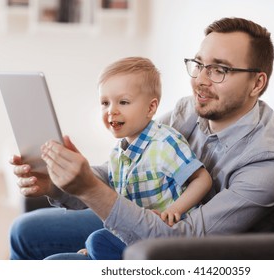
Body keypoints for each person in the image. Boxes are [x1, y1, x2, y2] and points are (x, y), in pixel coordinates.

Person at [9, 16, 274, 260]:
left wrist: (88, 189)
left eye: (219, 70)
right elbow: (126, 168)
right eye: (199, 64)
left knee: (55, 264)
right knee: (23, 230)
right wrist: (57, 184)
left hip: (188, 256)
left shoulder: (272, 162)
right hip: (153, 214)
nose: (200, 80)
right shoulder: (189, 111)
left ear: (257, 83)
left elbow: (180, 242)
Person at [77, 56, 212, 259]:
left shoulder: (165, 142)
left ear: (150, 108)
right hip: (134, 235)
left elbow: (202, 179)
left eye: (123, 102)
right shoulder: (118, 154)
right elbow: (120, 211)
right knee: (94, 242)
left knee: (96, 240)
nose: (111, 111)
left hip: (166, 242)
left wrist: (176, 209)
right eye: (105, 103)